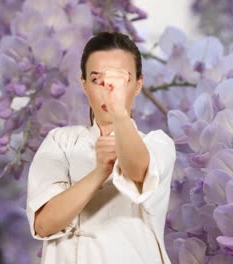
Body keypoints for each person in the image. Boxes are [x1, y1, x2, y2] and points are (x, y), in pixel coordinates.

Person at [25, 31, 176, 264]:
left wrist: (119, 113)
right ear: (84, 85)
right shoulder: (60, 142)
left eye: (119, 80)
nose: (109, 89)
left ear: (137, 85)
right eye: (97, 80)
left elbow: (137, 172)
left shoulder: (158, 143)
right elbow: (44, 224)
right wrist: (99, 172)